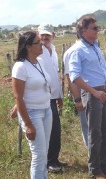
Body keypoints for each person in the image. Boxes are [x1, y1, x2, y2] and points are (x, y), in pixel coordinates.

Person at [68, 14, 106, 179]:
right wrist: (94, 92)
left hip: (104, 91)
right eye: (95, 28)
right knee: (95, 132)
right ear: (83, 31)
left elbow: (103, 66)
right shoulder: (77, 50)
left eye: (98, 27)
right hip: (92, 93)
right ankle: (95, 170)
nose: (98, 30)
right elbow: (74, 76)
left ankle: (103, 166)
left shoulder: (95, 46)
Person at [12, 31, 52, 179]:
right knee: (39, 154)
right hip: (32, 114)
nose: (42, 44)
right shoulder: (20, 67)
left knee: (44, 151)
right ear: (28, 46)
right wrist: (28, 124)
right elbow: (18, 96)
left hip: (47, 110)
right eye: (38, 43)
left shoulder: (39, 62)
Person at [37, 23, 65, 172]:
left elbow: (55, 76)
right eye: (43, 34)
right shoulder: (36, 51)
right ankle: (49, 162)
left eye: (48, 34)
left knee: (55, 130)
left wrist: (59, 95)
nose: (45, 37)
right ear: (38, 34)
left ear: (53, 36)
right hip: (42, 98)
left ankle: (54, 159)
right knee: (49, 130)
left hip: (53, 97)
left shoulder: (53, 50)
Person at [63, 36, 88, 147]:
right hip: (82, 92)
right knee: (86, 123)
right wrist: (77, 99)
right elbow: (71, 78)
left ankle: (102, 150)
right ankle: (92, 151)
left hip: (93, 90)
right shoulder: (72, 52)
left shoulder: (92, 48)